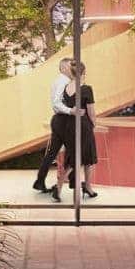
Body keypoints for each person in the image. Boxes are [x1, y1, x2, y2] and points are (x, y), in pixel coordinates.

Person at [55, 60, 98, 201]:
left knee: (71, 160)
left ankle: (58, 188)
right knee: (88, 159)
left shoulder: (66, 88)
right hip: (84, 127)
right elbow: (91, 113)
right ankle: (88, 187)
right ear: (83, 72)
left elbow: (61, 106)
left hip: (70, 127)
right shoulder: (86, 89)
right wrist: (94, 125)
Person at [32, 57, 74, 197]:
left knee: (52, 153)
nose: (72, 68)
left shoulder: (63, 81)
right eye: (70, 66)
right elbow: (56, 103)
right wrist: (70, 111)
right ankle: (70, 182)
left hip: (60, 120)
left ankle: (40, 181)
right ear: (63, 68)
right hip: (63, 120)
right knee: (75, 151)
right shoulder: (63, 81)